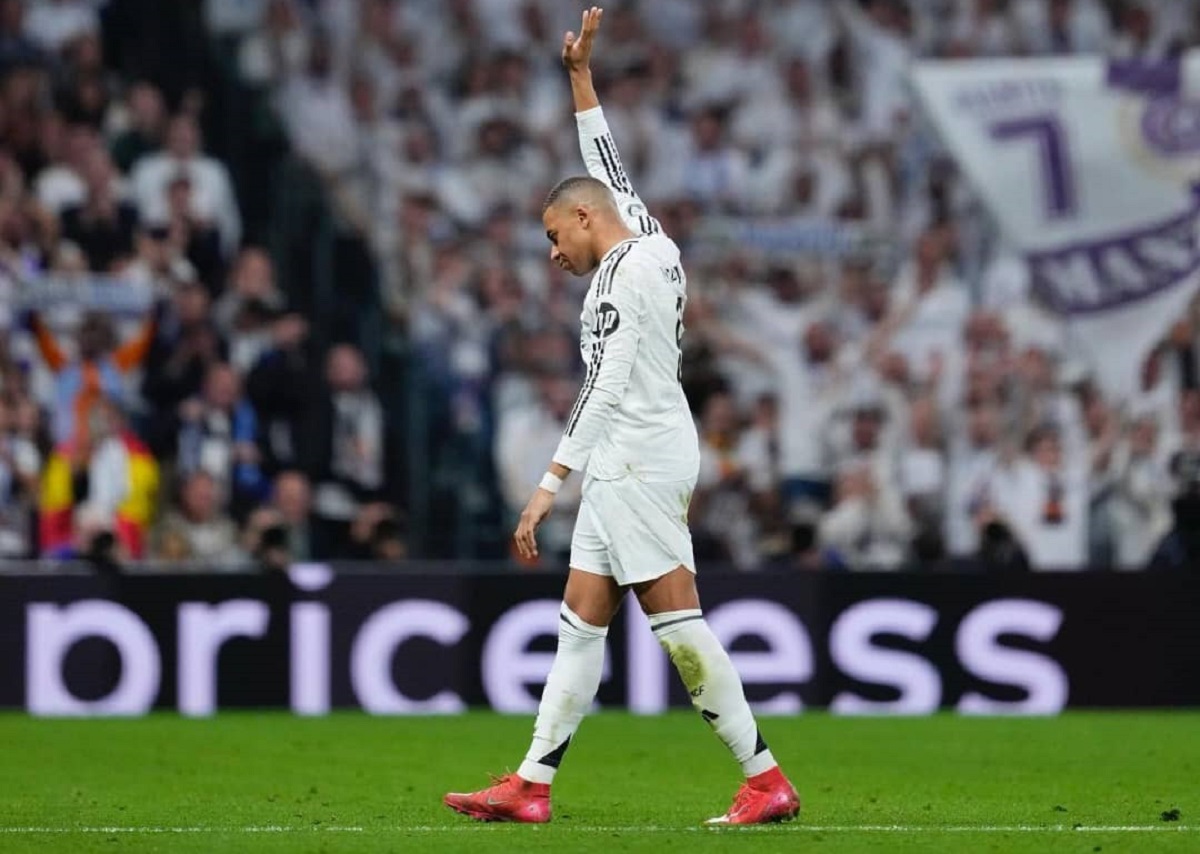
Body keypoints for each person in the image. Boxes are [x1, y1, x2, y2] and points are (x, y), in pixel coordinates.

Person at [444, 8, 799, 827]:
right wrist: (580, 78)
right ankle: (532, 783)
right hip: (632, 454)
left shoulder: (619, 278)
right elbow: (603, 161)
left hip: (636, 453)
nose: (551, 253)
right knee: (579, 624)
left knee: (677, 624)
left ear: (583, 219)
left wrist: (547, 486)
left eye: (552, 235)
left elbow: (602, 388)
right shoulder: (646, 237)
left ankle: (765, 778)